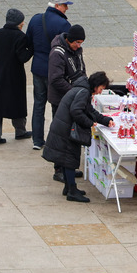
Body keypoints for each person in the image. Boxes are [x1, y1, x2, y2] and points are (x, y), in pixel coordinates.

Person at [43, 71, 113, 203]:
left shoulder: (82, 89)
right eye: (101, 89)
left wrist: (105, 120)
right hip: (66, 130)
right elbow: (76, 111)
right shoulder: (84, 92)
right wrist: (90, 123)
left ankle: (68, 187)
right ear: (96, 85)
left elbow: (89, 110)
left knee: (66, 159)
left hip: (63, 127)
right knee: (69, 159)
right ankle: (72, 191)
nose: (100, 92)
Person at [25, 0, 72, 149]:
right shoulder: (63, 25)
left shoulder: (35, 19)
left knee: (39, 104)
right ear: (57, 6)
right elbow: (68, 50)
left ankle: (37, 141)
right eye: (65, 5)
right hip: (55, 72)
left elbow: (28, 41)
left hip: (38, 68)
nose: (67, 9)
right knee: (56, 105)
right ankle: (55, 141)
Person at [0, 8, 33, 146]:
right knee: (17, 103)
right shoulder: (20, 37)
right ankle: (20, 131)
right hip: (13, 75)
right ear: (18, 23)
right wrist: (32, 49)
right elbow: (23, 57)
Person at [47, 24, 87, 169]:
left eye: (81, 43)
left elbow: (81, 70)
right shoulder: (57, 53)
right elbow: (56, 80)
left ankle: (66, 167)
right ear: (70, 40)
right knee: (60, 135)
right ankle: (59, 168)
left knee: (70, 134)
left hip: (73, 97)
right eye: (77, 42)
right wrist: (74, 92)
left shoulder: (77, 50)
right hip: (60, 99)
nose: (79, 45)